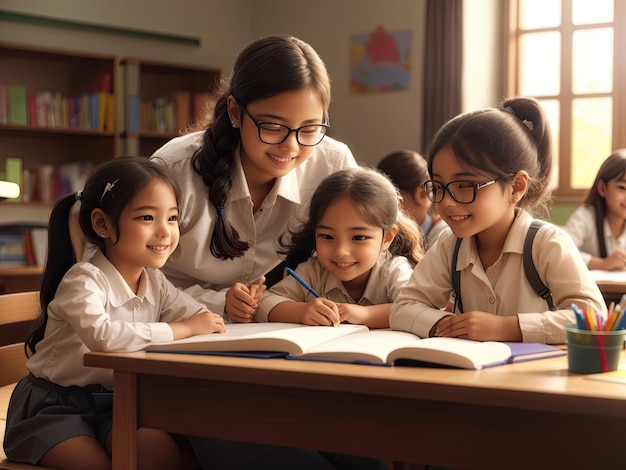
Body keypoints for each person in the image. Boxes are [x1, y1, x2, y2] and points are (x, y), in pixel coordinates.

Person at [3, 157, 226, 469]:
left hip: (119, 401)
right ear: (102, 224)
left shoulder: (155, 280)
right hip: (54, 406)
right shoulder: (83, 279)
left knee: (160, 454)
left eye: (172, 218)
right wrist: (184, 329)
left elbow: (197, 314)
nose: (165, 232)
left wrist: (206, 320)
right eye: (147, 217)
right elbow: (104, 338)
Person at [151, 34, 358, 325]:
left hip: (282, 327)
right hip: (174, 325)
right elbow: (128, 273)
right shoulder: (174, 169)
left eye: (310, 129)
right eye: (273, 127)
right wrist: (218, 302)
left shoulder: (333, 164)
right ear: (235, 112)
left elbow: (370, 250)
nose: (291, 147)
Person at [390, 97, 606, 344]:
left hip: (532, 378)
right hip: (468, 373)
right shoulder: (450, 245)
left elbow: (593, 317)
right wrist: (446, 325)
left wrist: (508, 328)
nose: (447, 202)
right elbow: (403, 307)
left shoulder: (547, 243)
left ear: (516, 186)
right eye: (438, 186)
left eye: (464, 185)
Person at [256, 167, 422, 328]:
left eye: (358, 237)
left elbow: (417, 307)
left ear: (387, 238)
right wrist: (302, 311)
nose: (341, 252)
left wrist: (365, 315)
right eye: (327, 237)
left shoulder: (393, 270)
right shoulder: (314, 272)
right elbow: (265, 302)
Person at [563, 149, 626, 270]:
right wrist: (602, 264)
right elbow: (562, 251)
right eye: (622, 187)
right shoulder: (585, 217)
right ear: (602, 188)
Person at [377, 149, 448, 248]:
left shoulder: (442, 234)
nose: (384, 209)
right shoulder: (385, 234)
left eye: (392, 201)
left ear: (422, 195)